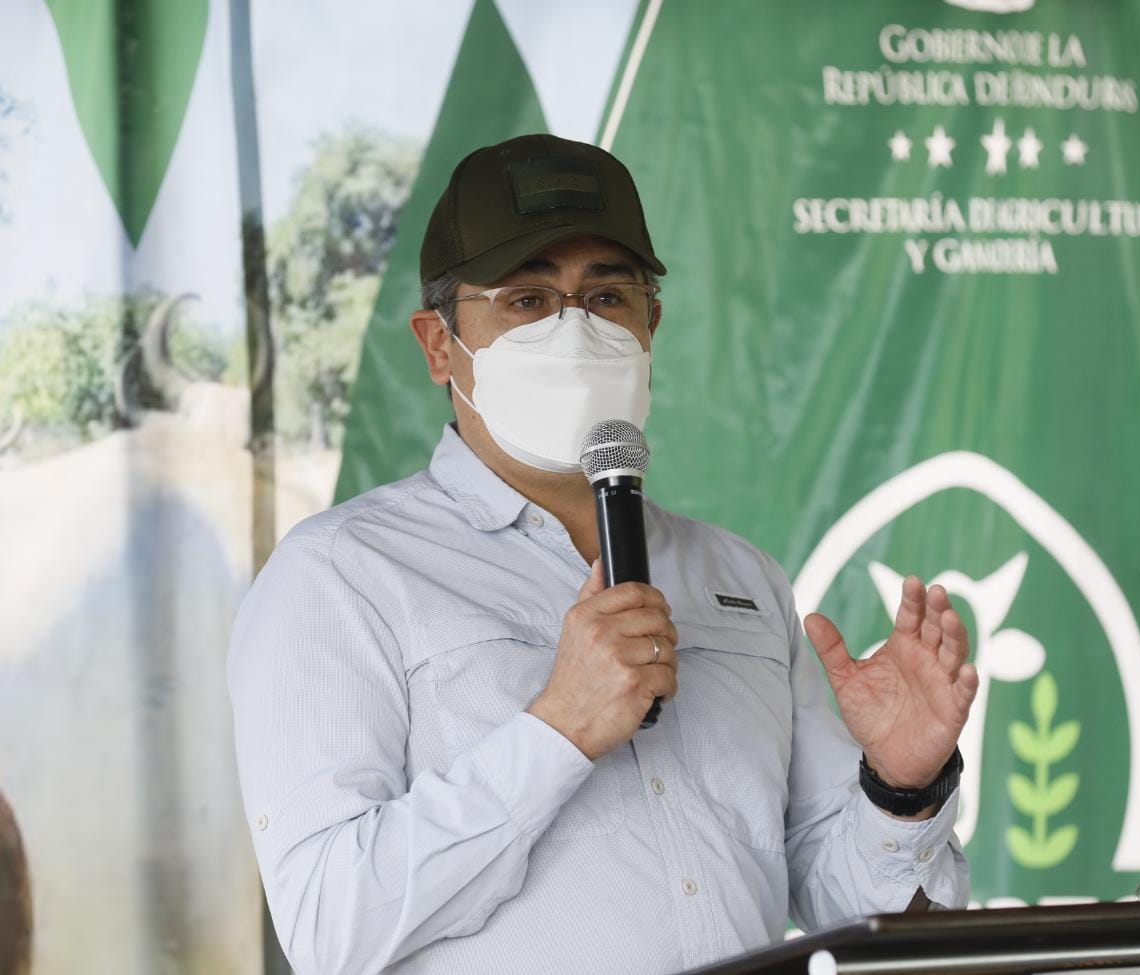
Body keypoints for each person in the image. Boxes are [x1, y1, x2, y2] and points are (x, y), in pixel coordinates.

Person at [227, 134, 979, 975]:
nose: (575, 329)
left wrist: (902, 789)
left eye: (607, 295)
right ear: (439, 343)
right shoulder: (340, 575)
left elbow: (854, 915)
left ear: (650, 323)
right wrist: (559, 727)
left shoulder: (739, 577)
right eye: (527, 298)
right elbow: (329, 926)